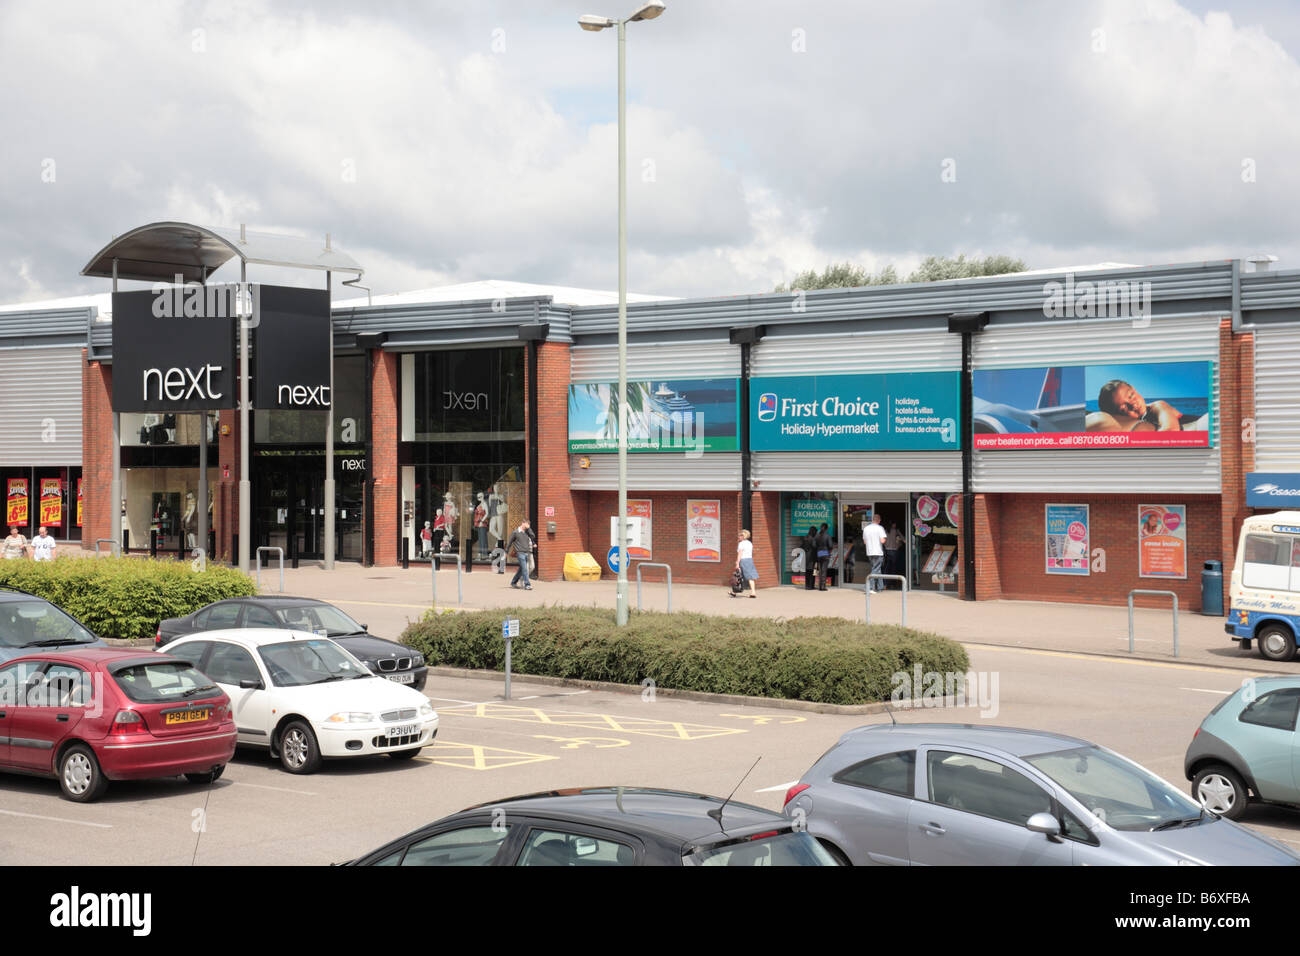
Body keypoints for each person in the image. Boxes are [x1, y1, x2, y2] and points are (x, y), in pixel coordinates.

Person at [1085, 380, 1184, 433]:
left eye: (1131, 395)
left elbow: (1171, 431)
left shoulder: (1158, 406)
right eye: (1124, 408)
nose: (1133, 404)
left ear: (1134, 389)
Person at [863, 513, 887, 592]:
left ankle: (880, 587)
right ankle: (869, 587)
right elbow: (882, 541)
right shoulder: (880, 528)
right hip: (878, 552)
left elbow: (865, 542)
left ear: (872, 520)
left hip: (869, 552)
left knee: (877, 569)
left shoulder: (866, 528)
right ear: (879, 520)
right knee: (875, 569)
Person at [507, 520, 534, 590]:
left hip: (527, 553)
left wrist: (529, 529)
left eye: (529, 525)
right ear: (522, 523)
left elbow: (533, 536)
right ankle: (527, 584)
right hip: (520, 553)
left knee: (521, 569)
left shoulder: (527, 532)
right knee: (525, 569)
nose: (528, 526)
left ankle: (513, 582)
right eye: (527, 524)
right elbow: (509, 542)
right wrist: (506, 552)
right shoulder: (515, 532)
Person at [735, 529, 758, 598]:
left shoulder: (741, 544)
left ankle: (753, 592)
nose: (738, 537)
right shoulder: (749, 543)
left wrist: (737, 563)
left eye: (740, 535)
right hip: (749, 560)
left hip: (743, 560)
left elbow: (740, 554)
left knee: (741, 576)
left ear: (743, 536)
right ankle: (734, 592)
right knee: (745, 576)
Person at [815, 523, 832, 591]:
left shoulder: (817, 535)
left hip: (819, 553)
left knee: (820, 570)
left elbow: (814, 544)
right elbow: (830, 545)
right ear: (826, 528)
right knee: (824, 570)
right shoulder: (827, 536)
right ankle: (823, 586)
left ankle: (820, 586)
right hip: (825, 553)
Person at [801, 526, 818, 591]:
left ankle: (807, 586)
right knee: (813, 572)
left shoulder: (805, 537)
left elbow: (802, 546)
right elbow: (814, 546)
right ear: (813, 531)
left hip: (806, 557)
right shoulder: (812, 539)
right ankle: (811, 586)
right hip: (812, 557)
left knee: (807, 572)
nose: (816, 533)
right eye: (815, 532)